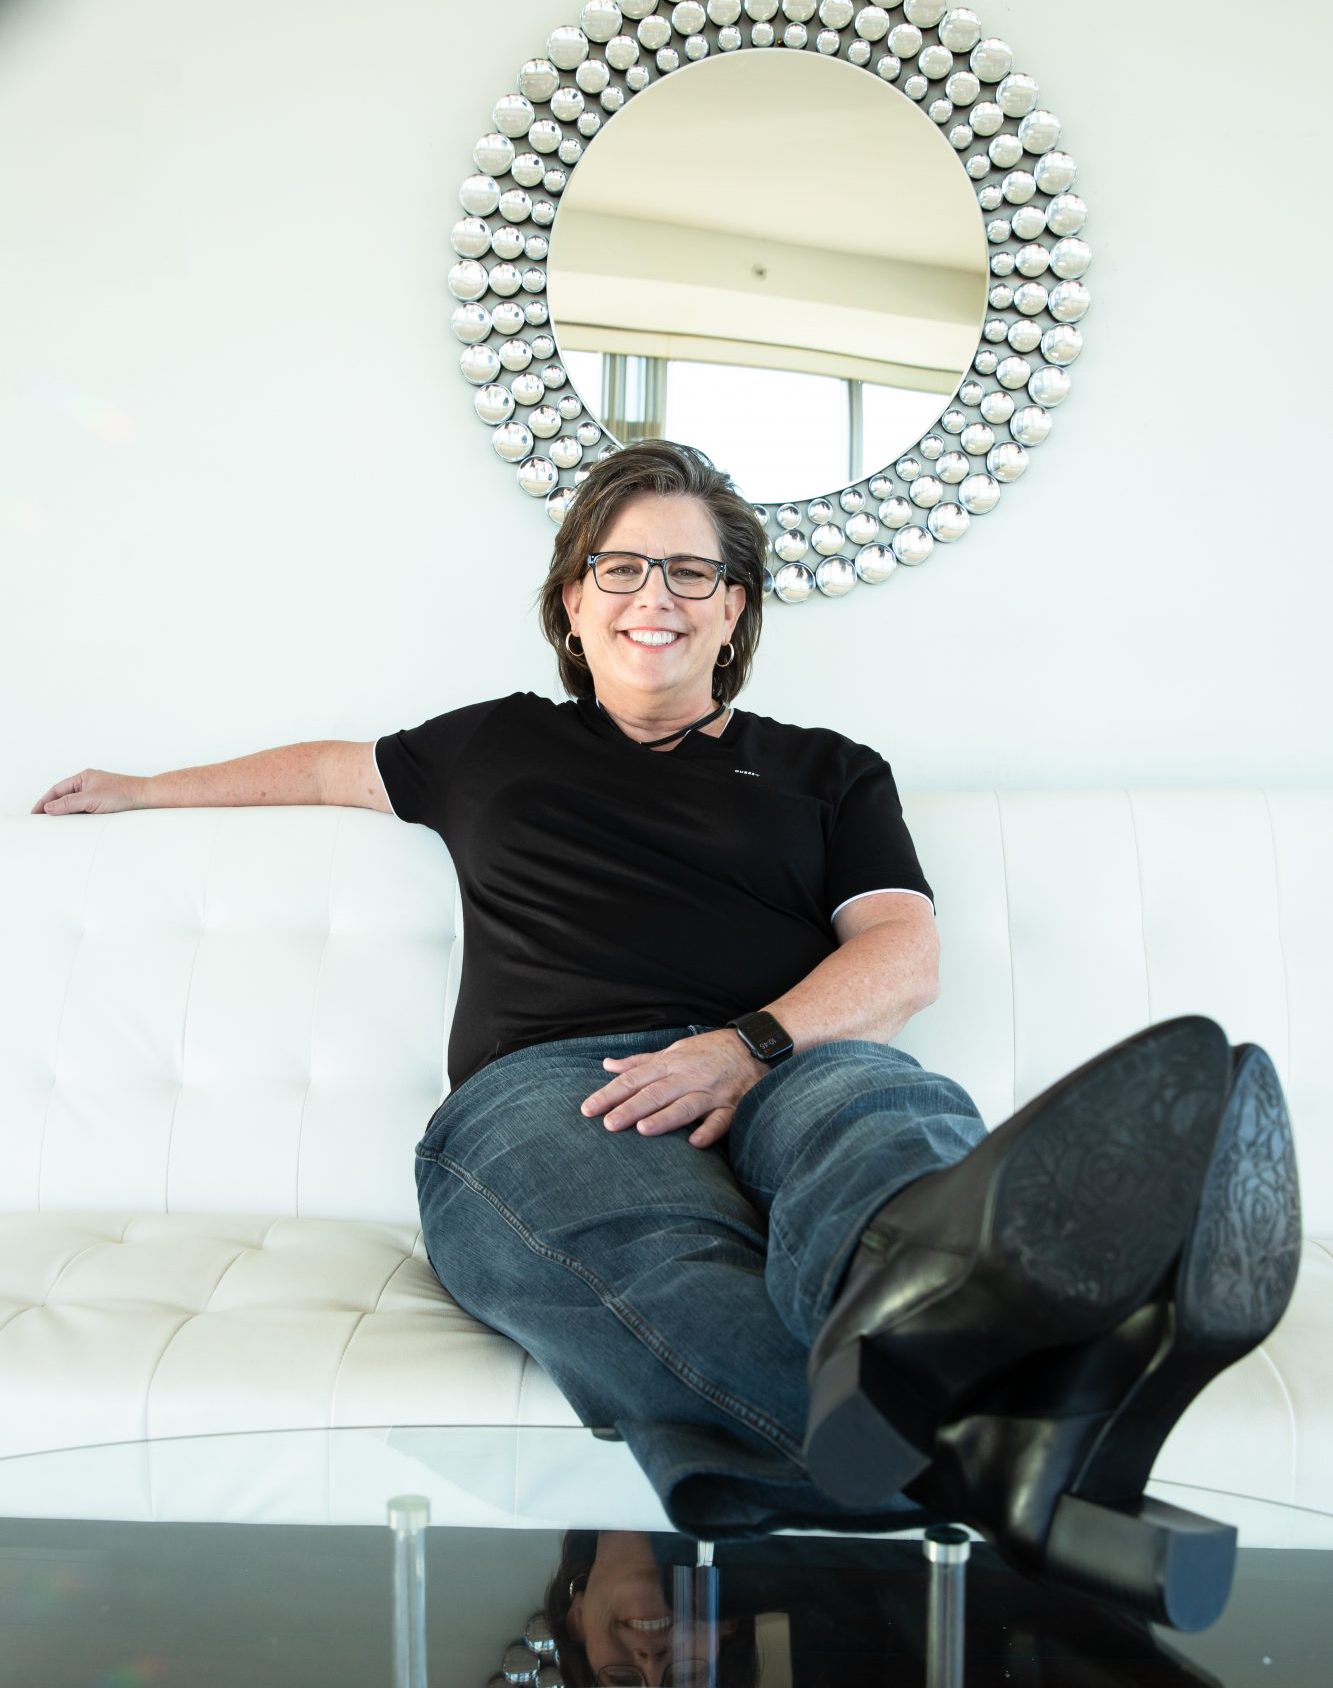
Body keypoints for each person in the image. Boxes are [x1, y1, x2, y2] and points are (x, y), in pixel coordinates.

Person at [32, 440, 1302, 1627]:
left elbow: (902, 954)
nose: (657, 595)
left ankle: (985, 1384)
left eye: (693, 572)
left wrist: (745, 1046)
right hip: (552, 1090)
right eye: (623, 567)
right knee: (667, 1264)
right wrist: (143, 789)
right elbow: (323, 769)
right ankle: (1030, 1436)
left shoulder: (828, 770)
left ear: (734, 608)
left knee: (884, 1128)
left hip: (787, 1057)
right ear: (573, 602)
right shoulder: (492, 743)